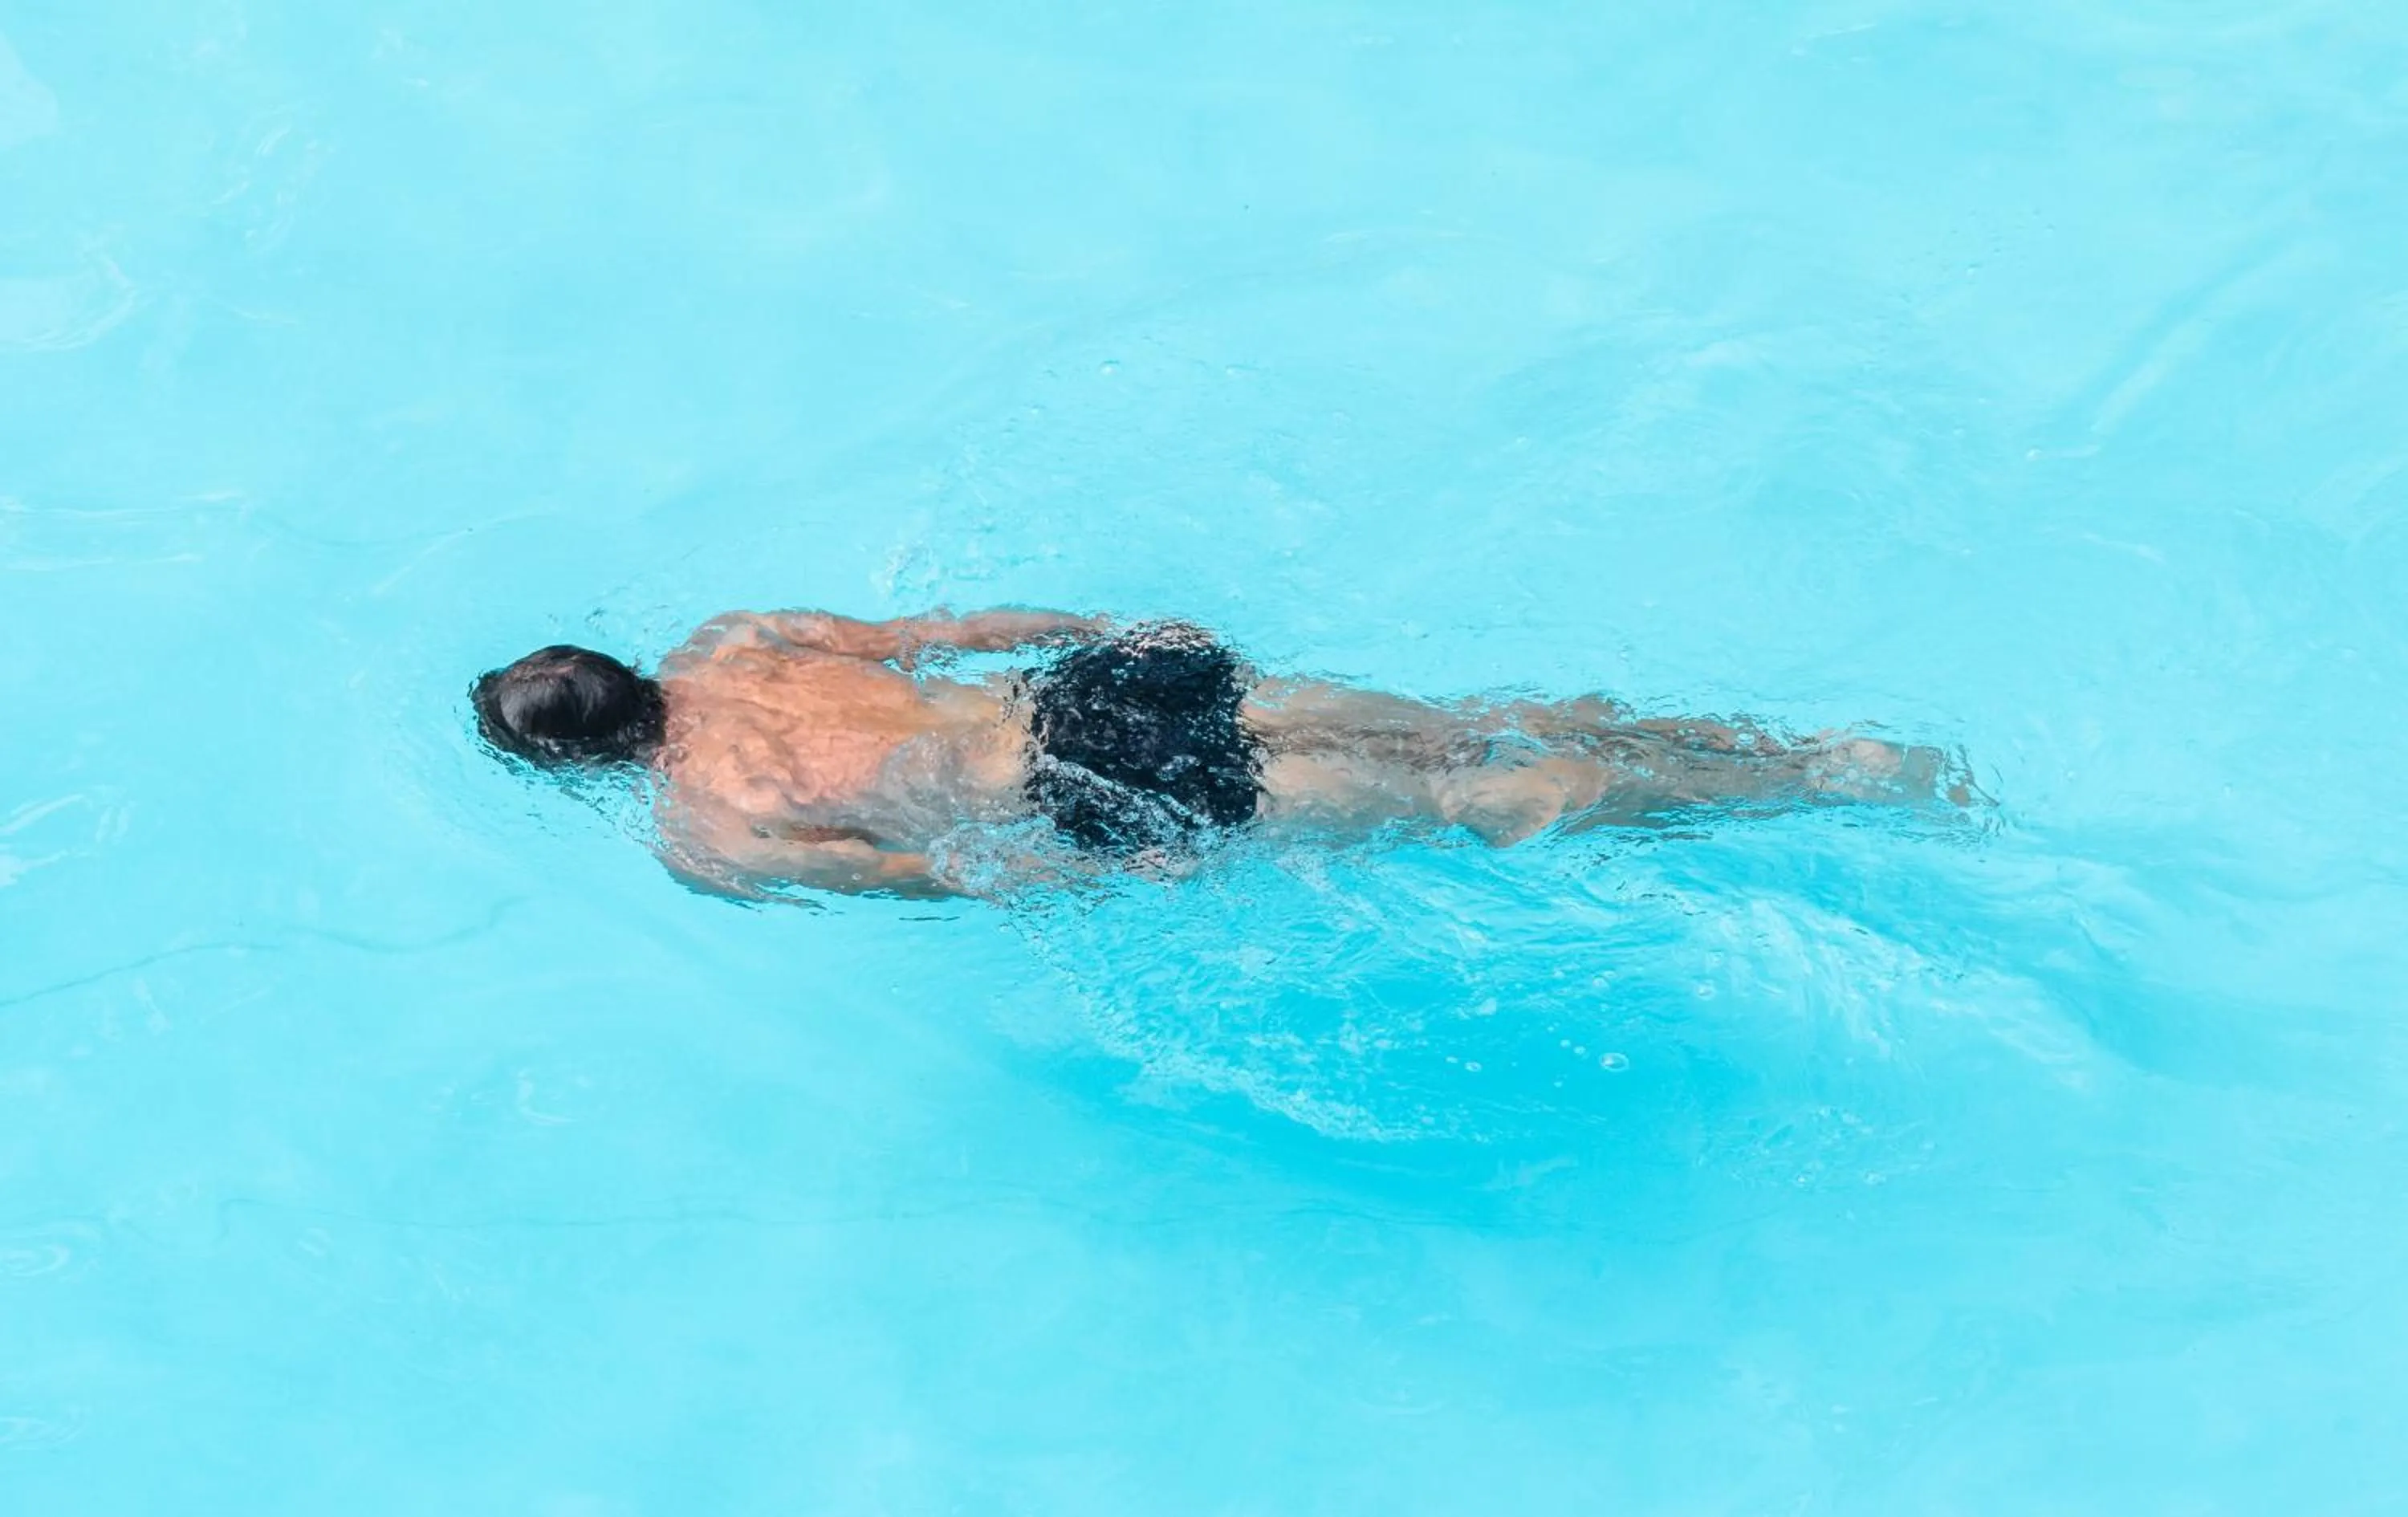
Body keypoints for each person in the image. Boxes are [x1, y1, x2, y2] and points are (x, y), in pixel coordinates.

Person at [471, 609, 1964, 900]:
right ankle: (1755, 739)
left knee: (1479, 799)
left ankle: (1825, 777)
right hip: (1091, 690)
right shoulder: (736, 642)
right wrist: (1119, 633)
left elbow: (943, 875)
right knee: (1453, 723)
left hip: (1085, 785)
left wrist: (1098, 874)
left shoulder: (709, 830)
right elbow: (964, 625)